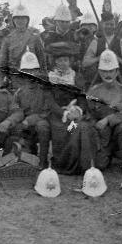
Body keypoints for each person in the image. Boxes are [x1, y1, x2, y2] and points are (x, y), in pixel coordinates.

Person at [38, 43, 98, 174]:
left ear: (70, 61)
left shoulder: (76, 76)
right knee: (61, 130)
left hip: (73, 114)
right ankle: (60, 164)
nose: (63, 63)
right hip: (56, 116)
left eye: (65, 60)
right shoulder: (50, 77)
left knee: (76, 128)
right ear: (55, 62)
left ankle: (75, 166)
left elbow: (82, 98)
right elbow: (50, 101)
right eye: (60, 60)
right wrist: (64, 113)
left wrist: (77, 111)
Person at [88, 49, 122, 170]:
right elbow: (89, 113)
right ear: (99, 72)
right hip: (103, 133)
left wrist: (108, 119)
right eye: (104, 71)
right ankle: (104, 154)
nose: (108, 74)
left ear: (117, 71)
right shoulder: (94, 91)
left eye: (111, 71)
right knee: (100, 165)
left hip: (118, 130)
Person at [0, 3, 47, 91]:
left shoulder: (34, 37)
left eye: (23, 18)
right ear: (14, 20)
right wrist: (4, 80)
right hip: (15, 79)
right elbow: (3, 64)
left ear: (27, 20)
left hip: (33, 78)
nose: (20, 20)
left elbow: (42, 60)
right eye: (17, 18)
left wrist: (44, 78)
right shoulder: (7, 40)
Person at [83, 12, 122, 87]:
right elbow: (85, 63)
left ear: (115, 25)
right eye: (107, 24)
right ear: (102, 25)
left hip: (118, 81)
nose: (109, 26)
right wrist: (99, 58)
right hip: (99, 81)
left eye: (111, 24)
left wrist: (118, 59)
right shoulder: (95, 42)